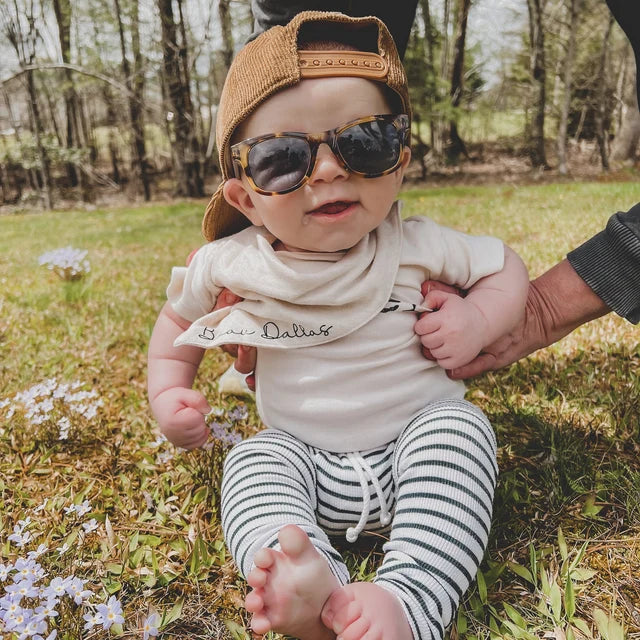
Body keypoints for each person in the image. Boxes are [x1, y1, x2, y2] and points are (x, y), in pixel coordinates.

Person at [148, 11, 529, 640]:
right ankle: (306, 578)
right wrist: (167, 391)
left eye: (365, 141)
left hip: (417, 446)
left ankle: (409, 602)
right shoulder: (231, 264)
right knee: (253, 462)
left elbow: (505, 267)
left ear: (401, 161)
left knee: (460, 430)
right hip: (306, 457)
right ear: (245, 197)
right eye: (282, 158)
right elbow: (176, 319)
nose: (328, 170)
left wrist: (479, 317)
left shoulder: (416, 245)